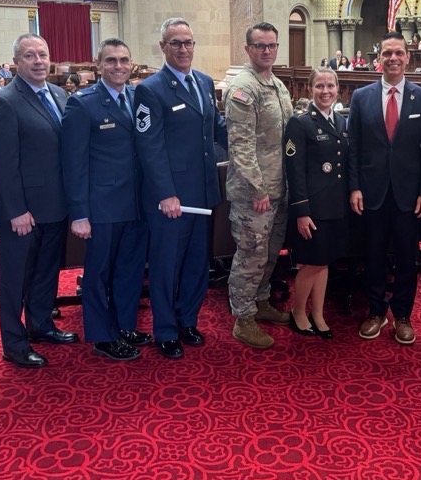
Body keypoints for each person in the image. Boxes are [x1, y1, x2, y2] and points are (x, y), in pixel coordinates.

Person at [135, 19, 228, 358]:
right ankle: (165, 330)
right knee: (166, 266)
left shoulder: (203, 82)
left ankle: (188, 320)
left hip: (203, 192)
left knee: (196, 263)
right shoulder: (150, 90)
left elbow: (216, 128)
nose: (184, 49)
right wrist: (165, 193)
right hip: (172, 199)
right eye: (176, 43)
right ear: (163, 47)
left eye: (188, 42)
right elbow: (149, 147)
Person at [0, 34, 77, 369]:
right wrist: (16, 210)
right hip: (22, 210)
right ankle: (13, 343)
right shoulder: (5, 101)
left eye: (43, 54)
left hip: (55, 204)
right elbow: (2, 164)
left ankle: (41, 325)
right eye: (29, 55)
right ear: (16, 63)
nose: (38, 61)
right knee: (15, 279)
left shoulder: (59, 94)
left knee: (46, 271)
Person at [62, 38, 152, 362]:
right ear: (98, 64)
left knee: (129, 270)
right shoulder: (82, 104)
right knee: (98, 274)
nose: (118, 66)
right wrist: (79, 213)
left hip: (136, 203)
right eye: (111, 60)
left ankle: (124, 325)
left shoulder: (138, 98)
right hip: (102, 206)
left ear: (131, 64)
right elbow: (73, 163)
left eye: (124, 60)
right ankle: (102, 335)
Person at [348, 31, 421, 345]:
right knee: (372, 255)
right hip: (371, 193)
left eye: (399, 52)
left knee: (406, 257)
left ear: (407, 57)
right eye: (387, 53)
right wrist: (354, 187)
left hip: (408, 195)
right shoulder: (361, 97)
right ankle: (376, 311)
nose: (393, 58)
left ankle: (402, 315)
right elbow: (354, 147)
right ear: (378, 59)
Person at [225, 22, 294, 349]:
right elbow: (241, 146)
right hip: (255, 194)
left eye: (272, 45)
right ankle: (243, 319)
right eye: (260, 46)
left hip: (279, 188)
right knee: (250, 256)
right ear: (248, 49)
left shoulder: (277, 85)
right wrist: (258, 189)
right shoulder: (243, 88)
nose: (267, 51)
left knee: (269, 254)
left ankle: (261, 302)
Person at [284, 69, 349, 339]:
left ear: (338, 88)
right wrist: (302, 211)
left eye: (330, 86)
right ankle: (298, 311)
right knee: (311, 263)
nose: (326, 91)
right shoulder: (300, 123)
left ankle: (318, 313)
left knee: (324, 262)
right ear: (309, 89)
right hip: (312, 209)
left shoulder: (341, 121)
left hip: (335, 206)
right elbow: (295, 170)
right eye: (320, 86)